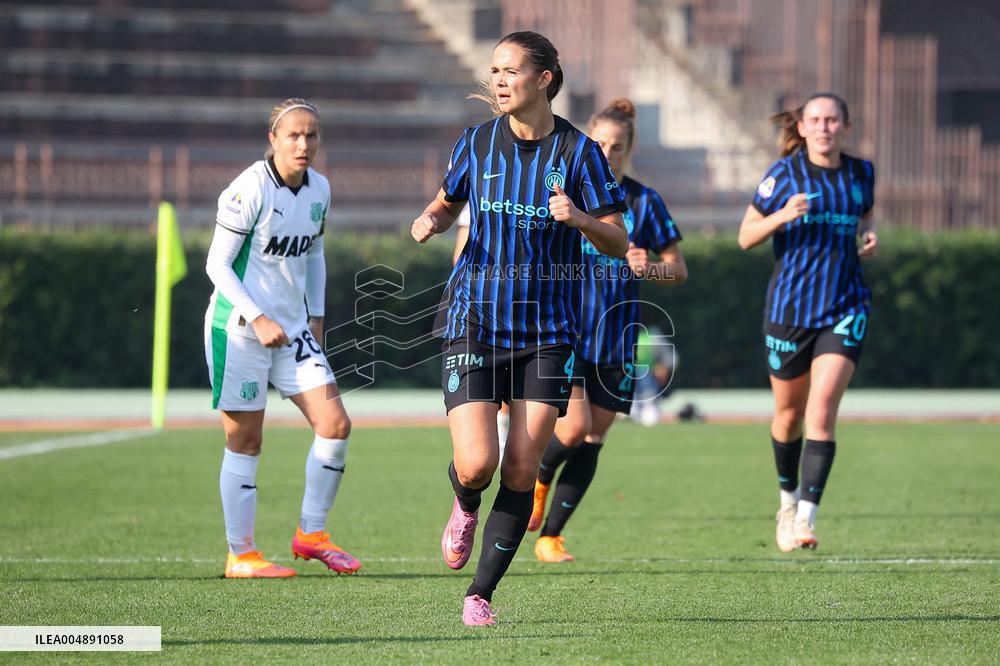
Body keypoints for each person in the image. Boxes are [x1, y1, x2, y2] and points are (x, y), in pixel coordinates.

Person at [411, 31, 628, 625]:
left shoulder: (581, 155)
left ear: (545, 80)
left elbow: (618, 239)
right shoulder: (476, 143)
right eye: (494, 70)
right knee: (478, 465)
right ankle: (463, 501)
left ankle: (479, 595)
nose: (499, 81)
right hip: (473, 319)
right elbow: (448, 200)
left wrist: (579, 217)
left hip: (546, 332)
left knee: (522, 469)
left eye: (511, 71)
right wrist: (431, 218)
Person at [204, 98, 361, 578]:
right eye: (293, 135)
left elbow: (314, 254)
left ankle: (311, 535)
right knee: (246, 441)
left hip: (293, 332)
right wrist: (257, 317)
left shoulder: (320, 189)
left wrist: (315, 316)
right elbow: (217, 264)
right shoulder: (247, 189)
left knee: (335, 425)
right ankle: (241, 554)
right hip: (239, 330)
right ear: (272, 139)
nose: (303, 144)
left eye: (312, 135)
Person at [527, 99, 688, 563]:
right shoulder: (565, 194)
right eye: (599, 143)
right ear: (587, 142)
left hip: (617, 335)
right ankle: (539, 479)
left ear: (629, 149)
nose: (608, 151)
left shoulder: (644, 201)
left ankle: (551, 537)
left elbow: (678, 270)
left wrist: (651, 268)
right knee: (573, 428)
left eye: (617, 146)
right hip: (568, 327)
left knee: (596, 436)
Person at [737, 92, 877, 552]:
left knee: (821, 410)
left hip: (845, 306)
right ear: (801, 128)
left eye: (833, 119)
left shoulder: (861, 173)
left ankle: (807, 520)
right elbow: (745, 238)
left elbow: (864, 215)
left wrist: (867, 237)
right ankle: (786, 501)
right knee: (789, 415)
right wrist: (781, 215)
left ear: (846, 127)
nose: (824, 127)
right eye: (815, 119)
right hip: (790, 311)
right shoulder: (783, 175)